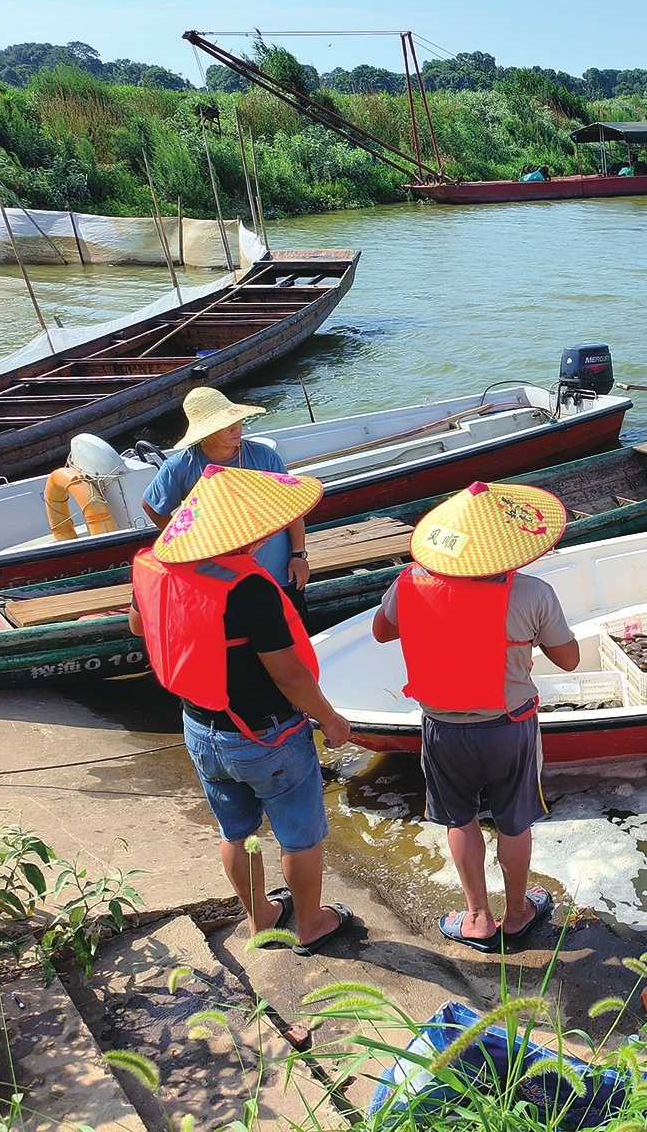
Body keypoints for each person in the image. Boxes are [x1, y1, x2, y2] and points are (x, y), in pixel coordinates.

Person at [128, 465, 360, 956]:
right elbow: (288, 673)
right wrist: (330, 719)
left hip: (200, 725)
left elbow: (136, 624)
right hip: (265, 736)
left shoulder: (157, 564)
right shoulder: (248, 588)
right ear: (242, 534)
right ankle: (311, 925)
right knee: (300, 835)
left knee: (236, 832)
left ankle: (262, 918)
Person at [371, 481, 578, 953]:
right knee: (514, 822)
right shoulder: (532, 593)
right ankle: (518, 912)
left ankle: (478, 918)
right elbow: (568, 659)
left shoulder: (409, 582)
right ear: (508, 545)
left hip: (444, 730)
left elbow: (382, 631)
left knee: (460, 820)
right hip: (510, 727)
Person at [142, 387, 311, 626]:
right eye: (226, 423)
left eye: (237, 419)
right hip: (224, 577)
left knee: (296, 630)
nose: (237, 427)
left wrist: (298, 555)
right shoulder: (180, 466)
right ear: (206, 432)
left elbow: (292, 506)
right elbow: (151, 505)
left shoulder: (263, 456)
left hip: (280, 570)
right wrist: (186, 543)